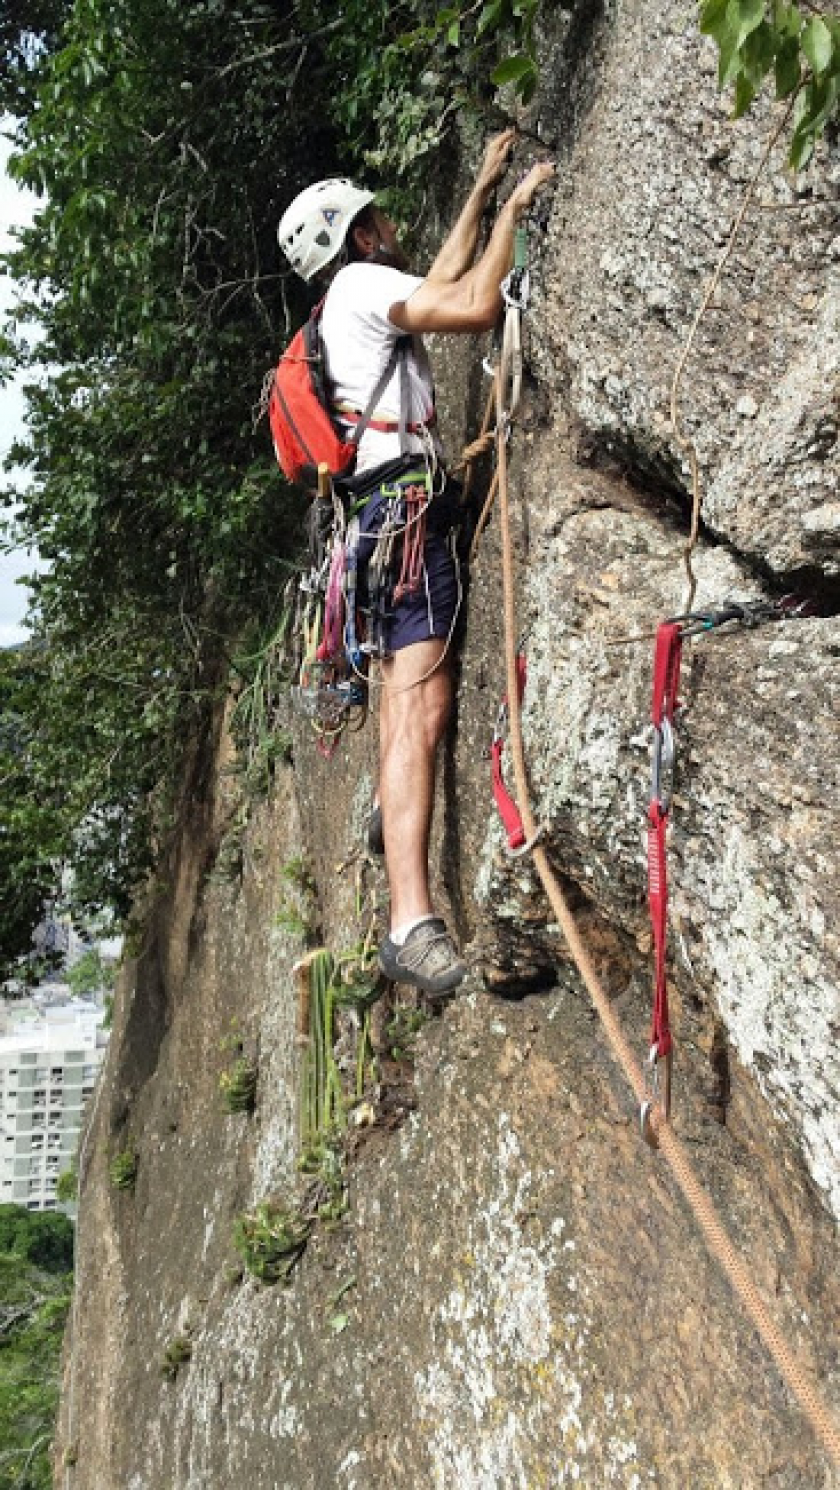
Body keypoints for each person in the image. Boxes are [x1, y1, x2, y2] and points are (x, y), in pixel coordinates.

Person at [278, 131, 554, 1002]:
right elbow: (469, 304)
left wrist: (477, 188)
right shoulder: (364, 287)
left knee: (407, 704)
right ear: (357, 237)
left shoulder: (342, 305)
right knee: (421, 708)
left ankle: (389, 820)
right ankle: (409, 920)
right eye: (376, 219)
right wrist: (514, 209)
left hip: (377, 521)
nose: (389, 225)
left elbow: (434, 284)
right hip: (404, 522)